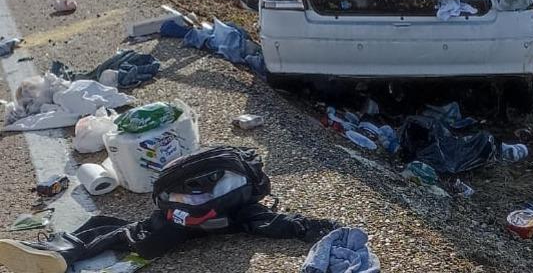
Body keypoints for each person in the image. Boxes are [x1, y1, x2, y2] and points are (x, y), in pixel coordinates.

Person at [0, 146, 337, 273]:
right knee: (127, 230)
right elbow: (274, 223)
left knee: (125, 229)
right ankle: (60, 249)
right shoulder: (246, 207)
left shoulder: (238, 191)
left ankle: (64, 249)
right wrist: (316, 227)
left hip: (174, 219)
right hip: (189, 219)